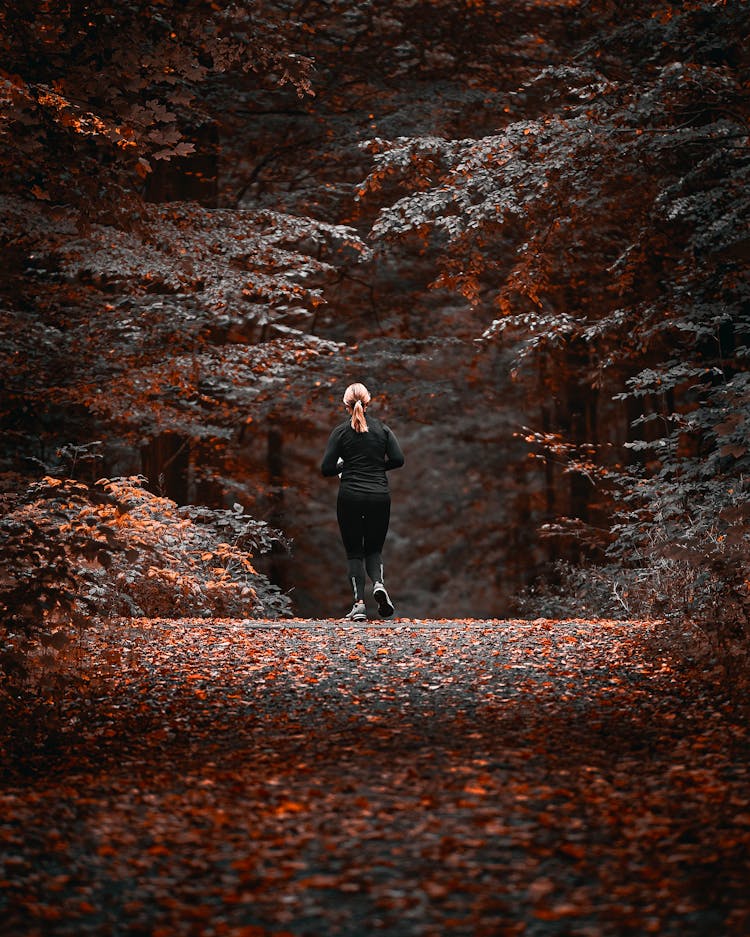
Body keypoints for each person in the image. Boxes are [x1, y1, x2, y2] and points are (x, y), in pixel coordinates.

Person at [321, 382, 405, 620]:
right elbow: (398, 460)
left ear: (345, 404)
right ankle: (378, 584)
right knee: (374, 549)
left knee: (354, 552)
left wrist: (345, 466)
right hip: (379, 496)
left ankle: (359, 604)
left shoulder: (340, 432)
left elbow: (326, 468)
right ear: (368, 402)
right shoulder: (383, 430)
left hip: (350, 497)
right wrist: (378, 467)